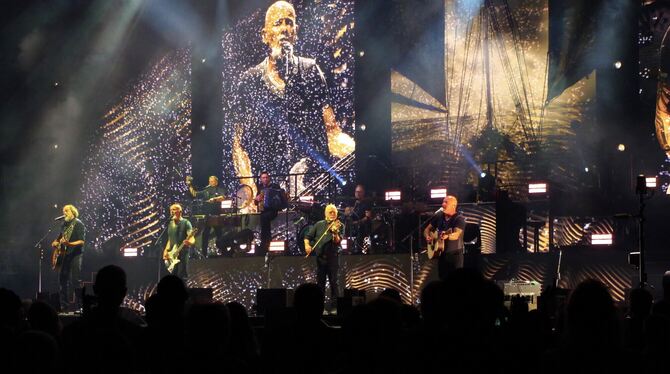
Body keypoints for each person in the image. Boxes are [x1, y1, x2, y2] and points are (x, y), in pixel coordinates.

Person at [231, 0, 354, 195]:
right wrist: (249, 191)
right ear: (265, 35)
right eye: (278, 23)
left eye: (289, 22)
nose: (285, 29)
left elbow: (332, 131)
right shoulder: (250, 80)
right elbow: (238, 145)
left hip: (308, 187)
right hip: (267, 191)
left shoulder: (310, 70)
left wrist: (356, 150)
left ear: (296, 32)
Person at [304, 204, 342, 303]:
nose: (333, 214)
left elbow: (337, 241)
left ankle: (335, 306)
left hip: (333, 258)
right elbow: (307, 237)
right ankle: (320, 306)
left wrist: (335, 233)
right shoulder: (319, 224)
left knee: (334, 283)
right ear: (326, 214)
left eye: (334, 212)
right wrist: (307, 246)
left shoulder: (339, 225)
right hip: (320, 259)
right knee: (320, 284)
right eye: (330, 212)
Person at [51, 204, 85, 312]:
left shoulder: (78, 224)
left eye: (66, 211)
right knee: (62, 279)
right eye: (63, 211)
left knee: (75, 280)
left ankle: (81, 306)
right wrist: (56, 241)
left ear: (73, 212)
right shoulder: (64, 224)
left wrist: (69, 244)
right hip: (65, 253)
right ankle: (63, 306)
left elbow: (81, 241)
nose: (64, 213)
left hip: (76, 254)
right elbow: (61, 236)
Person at [423, 196, 465, 280]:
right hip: (441, 255)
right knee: (443, 281)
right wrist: (427, 236)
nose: (443, 204)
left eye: (446, 202)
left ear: (453, 206)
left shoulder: (459, 218)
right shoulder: (439, 216)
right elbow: (427, 229)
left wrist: (448, 236)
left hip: (454, 256)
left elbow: (456, 234)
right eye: (443, 202)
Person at [187, 175, 226, 257]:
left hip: (216, 215)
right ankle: (204, 253)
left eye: (212, 181)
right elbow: (195, 194)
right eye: (210, 181)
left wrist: (214, 199)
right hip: (208, 216)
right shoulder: (206, 190)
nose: (210, 182)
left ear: (216, 182)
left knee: (219, 234)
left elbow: (223, 197)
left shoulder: (220, 189)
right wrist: (190, 186)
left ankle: (223, 252)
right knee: (205, 234)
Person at [253, 171, 284, 256]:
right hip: (264, 210)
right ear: (261, 179)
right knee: (264, 217)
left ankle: (264, 242)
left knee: (264, 218)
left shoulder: (275, 187)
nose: (265, 179)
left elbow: (280, 199)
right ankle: (266, 241)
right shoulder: (259, 188)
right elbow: (255, 203)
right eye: (263, 178)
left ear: (269, 178)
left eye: (266, 177)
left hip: (273, 210)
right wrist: (257, 199)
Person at [163, 204, 195, 280]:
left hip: (182, 253)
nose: (172, 211)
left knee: (181, 275)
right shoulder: (170, 224)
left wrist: (190, 242)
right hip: (172, 254)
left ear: (180, 211)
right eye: (171, 210)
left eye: (174, 209)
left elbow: (191, 237)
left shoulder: (186, 223)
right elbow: (170, 239)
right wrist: (165, 251)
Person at [343, 184, 373, 253]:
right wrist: (347, 213)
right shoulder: (352, 204)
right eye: (356, 192)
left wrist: (357, 222)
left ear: (363, 193)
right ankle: (346, 249)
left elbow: (367, 217)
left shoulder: (367, 204)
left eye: (360, 192)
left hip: (362, 228)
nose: (358, 193)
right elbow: (346, 216)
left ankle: (361, 250)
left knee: (362, 230)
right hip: (352, 228)